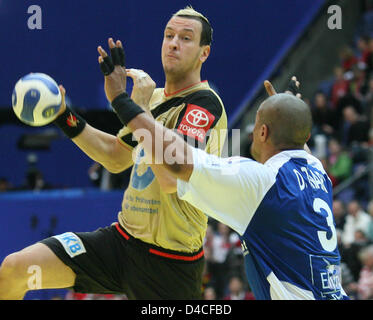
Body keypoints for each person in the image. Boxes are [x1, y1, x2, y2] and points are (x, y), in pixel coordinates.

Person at [0, 7, 227, 300]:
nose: (173, 43)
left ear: (203, 53)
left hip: (171, 264)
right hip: (119, 245)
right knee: (14, 269)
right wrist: (62, 115)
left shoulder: (204, 104)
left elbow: (172, 177)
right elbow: (116, 156)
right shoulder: (153, 97)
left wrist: (132, 106)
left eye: (185, 38)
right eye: (169, 35)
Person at [95, 43, 349, 299]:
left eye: (256, 126)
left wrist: (123, 101)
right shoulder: (317, 170)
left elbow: (178, 161)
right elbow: (297, 134)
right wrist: (288, 109)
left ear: (263, 133)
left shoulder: (259, 182)